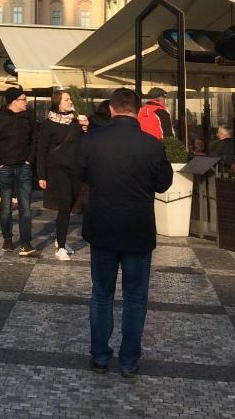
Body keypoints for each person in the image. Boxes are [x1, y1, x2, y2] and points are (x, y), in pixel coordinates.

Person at [77, 87, 173, 379]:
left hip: (102, 226)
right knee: (135, 298)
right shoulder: (152, 145)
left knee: (101, 295)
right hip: (137, 229)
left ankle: (100, 357)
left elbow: (79, 175)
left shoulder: (92, 140)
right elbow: (164, 184)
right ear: (136, 109)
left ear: (112, 108)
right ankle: (129, 361)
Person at [0, 87, 38, 257]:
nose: (26, 102)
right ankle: (7, 238)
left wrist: (29, 160)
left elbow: (35, 141)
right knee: (6, 207)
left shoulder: (28, 118)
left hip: (24, 167)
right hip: (5, 168)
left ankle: (25, 243)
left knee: (25, 208)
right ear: (14, 101)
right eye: (23, 99)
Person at [35, 89, 84, 261]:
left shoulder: (75, 122)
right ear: (57, 102)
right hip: (56, 168)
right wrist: (41, 175)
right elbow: (41, 151)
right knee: (64, 203)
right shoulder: (48, 124)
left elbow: (82, 144)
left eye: (70, 99)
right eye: (66, 100)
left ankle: (59, 238)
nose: (70, 102)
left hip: (75, 169)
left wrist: (86, 127)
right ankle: (61, 246)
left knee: (71, 203)